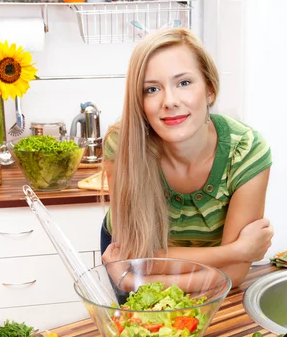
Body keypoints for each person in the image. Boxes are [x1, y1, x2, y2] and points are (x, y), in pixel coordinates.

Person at [101, 27, 273, 288]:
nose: (169, 101)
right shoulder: (122, 146)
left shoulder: (246, 152)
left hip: (180, 276)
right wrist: (235, 252)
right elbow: (134, 257)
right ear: (139, 101)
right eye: (151, 89)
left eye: (183, 83)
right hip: (133, 263)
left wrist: (136, 281)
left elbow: (233, 276)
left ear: (210, 89)